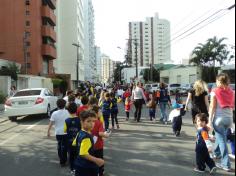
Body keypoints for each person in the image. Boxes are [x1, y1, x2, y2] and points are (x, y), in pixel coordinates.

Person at [208, 73, 235, 172]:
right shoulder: (232, 91)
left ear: (219, 81)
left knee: (222, 141)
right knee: (221, 138)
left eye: (216, 81)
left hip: (219, 119)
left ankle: (226, 165)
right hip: (229, 119)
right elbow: (233, 106)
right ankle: (217, 153)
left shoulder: (214, 91)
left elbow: (212, 107)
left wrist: (209, 121)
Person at [73, 110, 105, 176]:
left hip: (79, 163)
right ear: (82, 122)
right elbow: (83, 153)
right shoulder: (86, 137)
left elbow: (74, 143)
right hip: (87, 167)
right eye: (88, 121)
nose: (92, 123)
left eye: (93, 121)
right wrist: (97, 160)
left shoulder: (80, 132)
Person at [47, 99, 69, 166]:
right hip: (66, 132)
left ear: (57, 105)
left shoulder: (54, 113)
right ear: (65, 105)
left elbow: (51, 123)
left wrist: (48, 131)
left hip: (58, 133)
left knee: (59, 145)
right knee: (65, 146)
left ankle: (61, 159)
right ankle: (64, 160)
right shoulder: (68, 112)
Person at [91, 105, 110, 176]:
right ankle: (100, 172)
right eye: (100, 111)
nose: (101, 112)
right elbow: (100, 133)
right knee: (100, 160)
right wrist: (107, 135)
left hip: (90, 146)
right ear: (96, 113)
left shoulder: (89, 121)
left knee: (92, 160)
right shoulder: (99, 122)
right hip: (98, 146)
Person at [64, 103, 81, 174]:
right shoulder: (79, 120)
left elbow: (64, 130)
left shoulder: (66, 120)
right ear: (76, 110)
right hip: (78, 142)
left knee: (71, 156)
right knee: (78, 156)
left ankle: (72, 169)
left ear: (68, 111)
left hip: (70, 141)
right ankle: (78, 169)